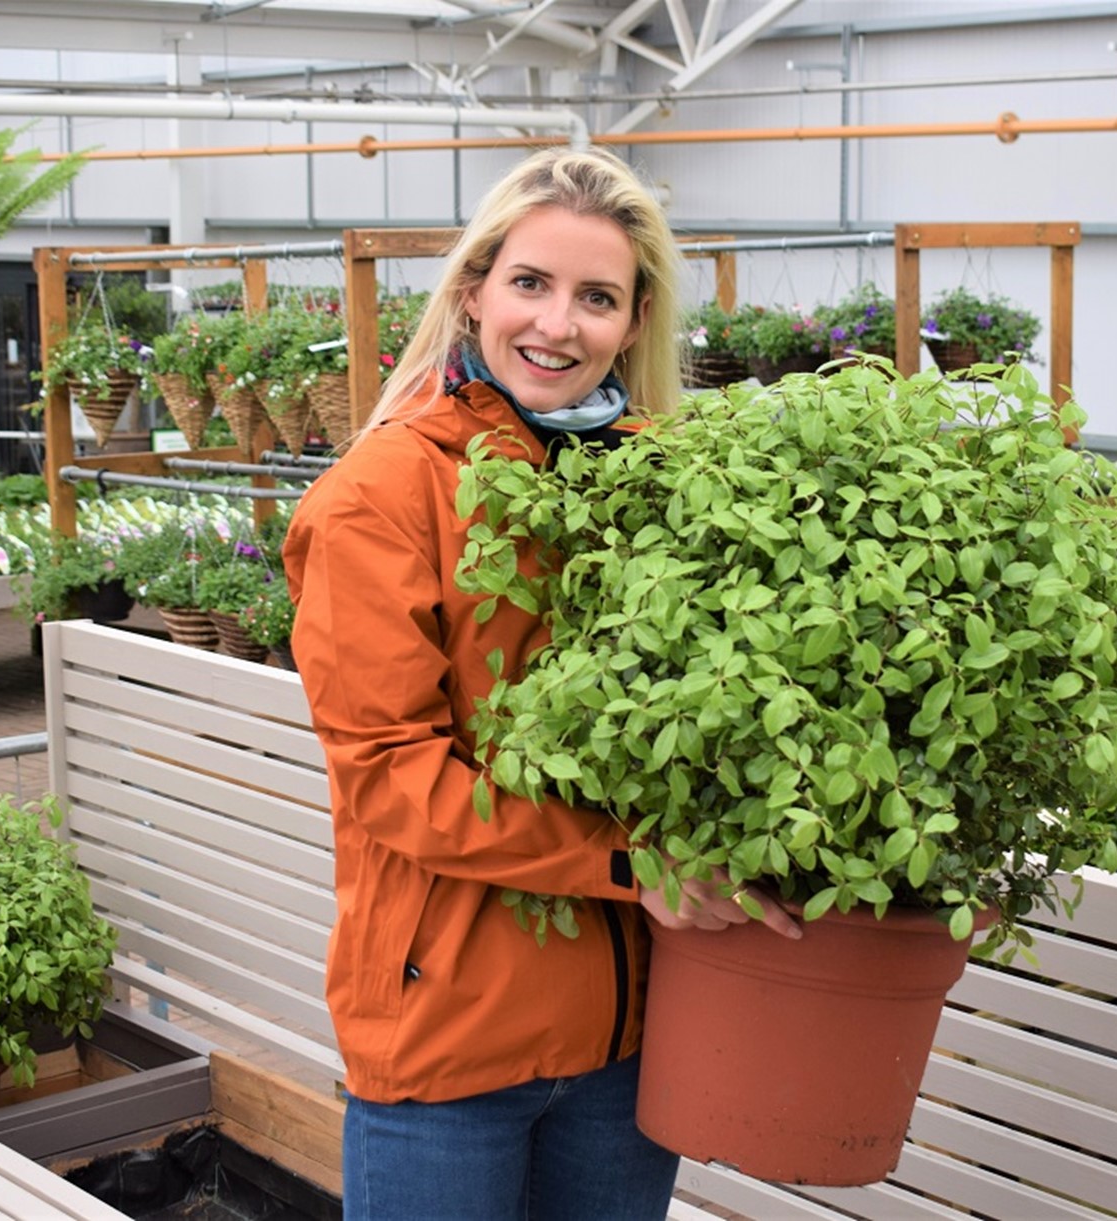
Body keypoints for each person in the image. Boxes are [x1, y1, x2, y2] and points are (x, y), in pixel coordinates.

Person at [280, 146, 799, 1221]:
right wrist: (626, 861)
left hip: (629, 1043)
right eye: (529, 284)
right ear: (473, 290)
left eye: (595, 297)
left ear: (634, 318)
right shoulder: (381, 494)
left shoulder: (671, 481)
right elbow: (391, 776)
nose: (556, 325)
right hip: (448, 1045)